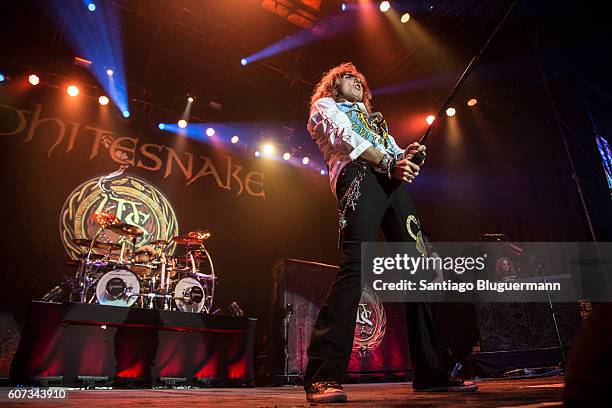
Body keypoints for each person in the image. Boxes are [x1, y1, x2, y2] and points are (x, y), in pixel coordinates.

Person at [304, 62, 477, 403]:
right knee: (356, 267)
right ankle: (323, 375)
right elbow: (345, 138)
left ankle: (432, 372)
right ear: (333, 85)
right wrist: (389, 161)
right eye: (347, 77)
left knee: (423, 269)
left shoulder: (375, 120)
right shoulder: (325, 107)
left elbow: (395, 155)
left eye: (360, 79)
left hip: (390, 183)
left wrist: (409, 155)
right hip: (358, 177)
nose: (356, 81)